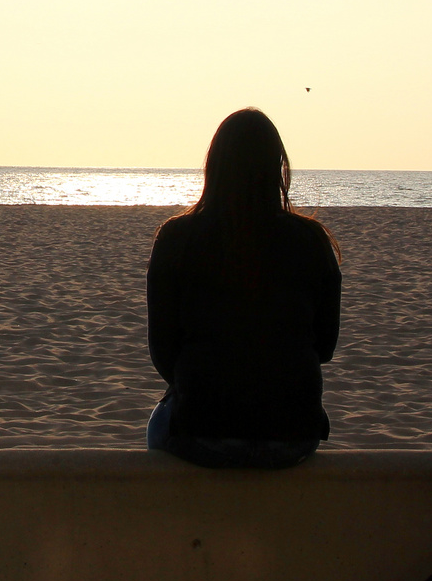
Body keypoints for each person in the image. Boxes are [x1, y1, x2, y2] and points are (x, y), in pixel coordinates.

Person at [146, 108, 341, 468]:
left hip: (202, 433)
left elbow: (162, 349)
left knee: (157, 425)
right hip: (293, 435)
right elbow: (325, 345)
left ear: (213, 166)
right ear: (277, 167)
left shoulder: (176, 238)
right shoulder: (311, 240)